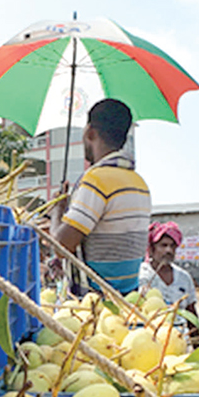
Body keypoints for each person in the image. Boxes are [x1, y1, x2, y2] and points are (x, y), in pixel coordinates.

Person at [49, 99, 151, 295]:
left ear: (90, 133)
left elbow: (60, 247)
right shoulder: (139, 183)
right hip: (130, 300)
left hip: (96, 306)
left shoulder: (96, 181)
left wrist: (57, 211)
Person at [140, 220, 199, 316]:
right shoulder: (141, 275)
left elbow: (191, 313)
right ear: (151, 249)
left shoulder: (184, 277)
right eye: (163, 245)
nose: (169, 250)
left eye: (172, 246)